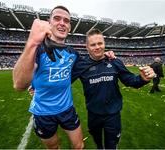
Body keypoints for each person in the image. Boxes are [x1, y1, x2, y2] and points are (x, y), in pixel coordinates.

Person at [13, 6, 115, 149]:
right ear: (49, 22)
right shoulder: (39, 49)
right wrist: (32, 42)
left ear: (69, 27)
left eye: (66, 20)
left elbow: (90, 61)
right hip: (42, 113)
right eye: (57, 18)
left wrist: (105, 54)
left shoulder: (72, 54)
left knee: (79, 146)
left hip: (67, 110)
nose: (62, 23)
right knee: (54, 147)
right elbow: (18, 84)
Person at [71, 28, 155, 149]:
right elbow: (63, 81)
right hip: (93, 115)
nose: (97, 47)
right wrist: (39, 86)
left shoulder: (115, 62)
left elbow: (131, 81)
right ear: (87, 47)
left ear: (104, 44)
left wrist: (143, 79)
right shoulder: (81, 65)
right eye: (93, 44)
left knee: (111, 145)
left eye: (100, 43)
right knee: (98, 141)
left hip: (113, 115)